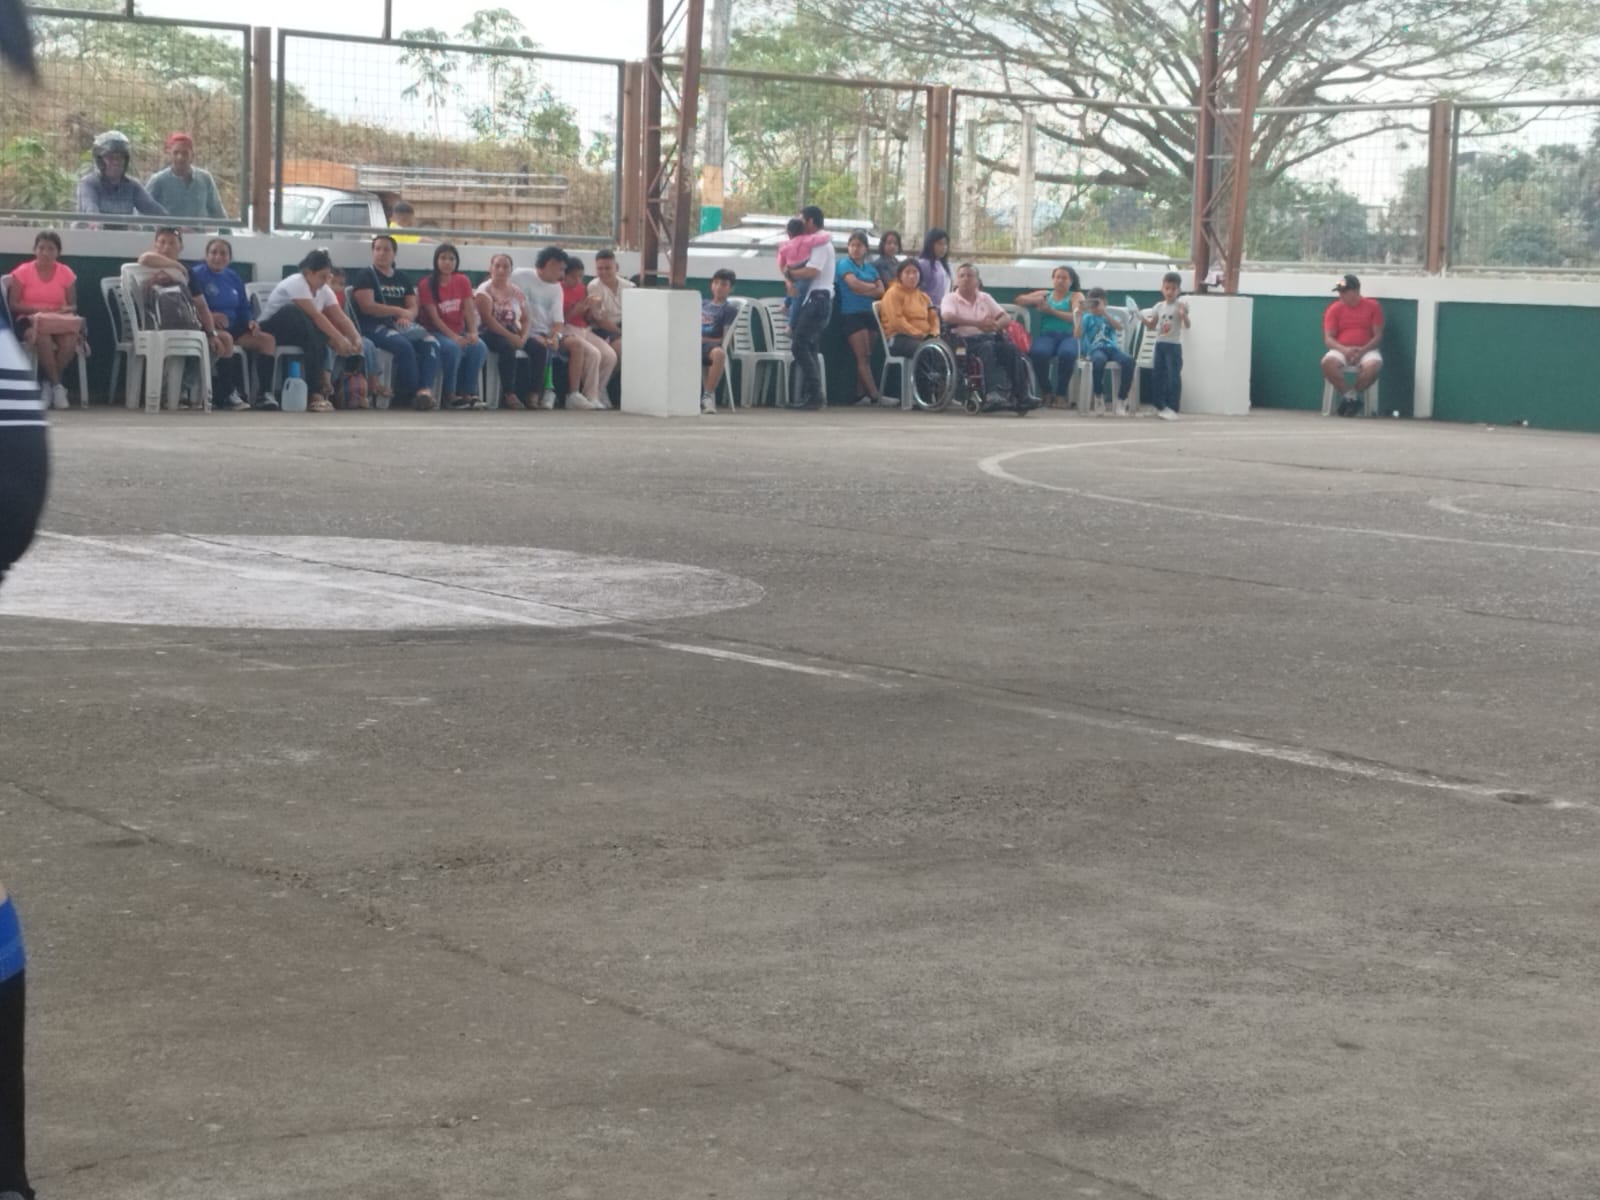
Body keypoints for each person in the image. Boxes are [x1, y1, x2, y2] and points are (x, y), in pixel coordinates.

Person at [137, 226, 241, 409]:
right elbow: (145, 258)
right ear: (155, 245)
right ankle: (167, 393)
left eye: (172, 243)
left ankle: (180, 390)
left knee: (219, 342)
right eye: (162, 242)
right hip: (153, 327)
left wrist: (211, 333)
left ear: (181, 247)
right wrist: (176, 266)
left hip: (187, 324)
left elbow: (201, 306)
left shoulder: (188, 273)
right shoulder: (148, 265)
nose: (166, 247)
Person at [258, 248, 365, 413]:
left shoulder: (324, 290)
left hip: (302, 332)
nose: (325, 281)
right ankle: (315, 392)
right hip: (272, 328)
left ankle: (316, 392)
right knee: (296, 312)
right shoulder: (296, 282)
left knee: (315, 336)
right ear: (309, 273)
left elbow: (341, 317)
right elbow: (316, 316)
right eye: (322, 276)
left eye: (328, 276)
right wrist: (338, 339)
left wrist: (356, 338)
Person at [511, 246, 605, 410]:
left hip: (547, 334)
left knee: (576, 344)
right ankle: (542, 392)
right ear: (550, 264)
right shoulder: (519, 276)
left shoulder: (556, 288)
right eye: (560, 269)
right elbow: (511, 311)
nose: (562, 275)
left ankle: (573, 394)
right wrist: (530, 335)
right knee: (540, 346)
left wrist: (554, 337)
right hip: (522, 331)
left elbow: (558, 322)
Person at [352, 234, 439, 410]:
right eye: (377, 249)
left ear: (394, 254)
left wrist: (408, 316)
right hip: (374, 325)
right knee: (403, 346)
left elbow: (412, 306)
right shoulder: (365, 275)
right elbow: (367, 307)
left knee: (431, 342)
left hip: (401, 325)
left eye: (386, 249)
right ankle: (411, 394)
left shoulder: (402, 277)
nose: (381, 253)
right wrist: (397, 311)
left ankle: (424, 391)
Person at [190, 238, 276, 409]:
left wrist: (251, 321)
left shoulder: (233, 277)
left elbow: (243, 306)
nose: (218, 257)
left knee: (267, 340)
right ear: (206, 256)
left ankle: (264, 395)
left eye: (223, 253)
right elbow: (190, 303)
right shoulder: (197, 275)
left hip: (235, 325)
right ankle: (227, 393)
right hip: (208, 326)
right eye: (213, 253)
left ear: (229, 258)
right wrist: (210, 316)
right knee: (226, 339)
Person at [4, 231, 80, 410]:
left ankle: (48, 384)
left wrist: (61, 310)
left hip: (58, 321)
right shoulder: (23, 271)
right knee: (42, 336)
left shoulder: (66, 273)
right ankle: (57, 386)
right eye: (41, 248)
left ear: (58, 252)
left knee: (70, 339)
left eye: (51, 249)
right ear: (35, 250)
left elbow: (73, 305)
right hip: (29, 321)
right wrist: (38, 310)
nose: (45, 253)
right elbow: (14, 304)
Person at [940, 262, 1031, 410]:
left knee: (1011, 349)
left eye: (970, 276)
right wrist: (977, 323)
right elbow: (948, 317)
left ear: (977, 281)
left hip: (987, 336)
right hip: (963, 342)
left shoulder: (985, 297)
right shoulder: (950, 298)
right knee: (987, 348)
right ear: (957, 280)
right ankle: (991, 393)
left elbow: (1006, 317)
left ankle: (1022, 396)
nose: (966, 279)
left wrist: (995, 325)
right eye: (962, 276)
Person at [417, 243, 487, 410]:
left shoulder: (462, 280)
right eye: (443, 258)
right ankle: (450, 394)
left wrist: (472, 332)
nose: (447, 262)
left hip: (459, 329)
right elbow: (435, 318)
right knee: (452, 348)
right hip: (435, 331)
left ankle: (468, 393)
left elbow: (468, 309)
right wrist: (454, 337)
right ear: (436, 261)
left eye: (451, 259)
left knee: (478, 347)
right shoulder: (426, 284)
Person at [781, 205, 834, 410]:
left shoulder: (820, 243)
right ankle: (813, 395)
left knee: (799, 344)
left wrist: (790, 273)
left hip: (817, 300)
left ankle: (815, 394)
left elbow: (812, 271)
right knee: (809, 346)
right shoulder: (813, 242)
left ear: (810, 221)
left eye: (802, 220)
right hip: (816, 300)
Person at [475, 253, 540, 410]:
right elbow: (488, 320)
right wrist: (511, 337)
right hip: (490, 332)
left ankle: (534, 393)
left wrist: (523, 337)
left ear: (511, 270)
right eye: (497, 266)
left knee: (539, 348)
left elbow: (526, 318)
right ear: (490, 268)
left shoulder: (516, 291)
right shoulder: (484, 290)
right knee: (507, 347)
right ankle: (509, 393)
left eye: (505, 267)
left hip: (514, 330)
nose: (501, 270)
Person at [1017, 265, 1084, 408]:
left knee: (1067, 354)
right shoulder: (1046, 294)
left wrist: (1052, 311)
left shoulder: (1076, 296)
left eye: (1064, 278)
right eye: (1057, 277)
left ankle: (1060, 395)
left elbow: (1076, 317)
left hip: (1069, 336)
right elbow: (1019, 299)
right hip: (1048, 335)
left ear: (1071, 281)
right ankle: (1046, 392)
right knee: (1038, 353)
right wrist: (1035, 301)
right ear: (1053, 279)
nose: (1060, 281)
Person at [559, 256, 617, 408]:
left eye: (580, 276)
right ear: (565, 275)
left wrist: (592, 310)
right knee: (594, 354)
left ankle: (598, 391)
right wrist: (574, 311)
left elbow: (587, 317)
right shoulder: (558, 289)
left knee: (610, 355)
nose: (578, 280)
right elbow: (558, 320)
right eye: (573, 277)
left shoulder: (581, 289)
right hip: (567, 329)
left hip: (584, 329)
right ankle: (590, 395)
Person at [835, 230, 884, 405]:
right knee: (862, 356)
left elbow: (881, 291)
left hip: (870, 315)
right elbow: (853, 285)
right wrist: (871, 287)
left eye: (859, 245)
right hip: (851, 315)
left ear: (866, 249)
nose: (855, 249)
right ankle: (875, 395)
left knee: (868, 357)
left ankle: (860, 394)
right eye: (852, 245)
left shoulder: (871, 268)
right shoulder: (843, 264)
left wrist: (864, 289)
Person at [1323, 273, 1383, 416]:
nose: (1341, 295)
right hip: (1341, 349)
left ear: (1356, 291)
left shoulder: (1373, 307)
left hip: (1367, 349)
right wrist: (1344, 350)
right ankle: (1350, 397)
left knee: (1374, 366)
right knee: (1327, 363)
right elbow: (1328, 338)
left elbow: (1378, 335)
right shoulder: (1334, 309)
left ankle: (1352, 396)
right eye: (1339, 292)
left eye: (1344, 292)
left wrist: (1362, 351)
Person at [76, 129, 166, 219]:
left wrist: (169, 222)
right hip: (94, 228)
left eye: (120, 158)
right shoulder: (89, 184)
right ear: (100, 160)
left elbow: (154, 209)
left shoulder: (132, 186)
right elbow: (90, 210)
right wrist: (94, 222)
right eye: (110, 158)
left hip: (124, 228)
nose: (116, 162)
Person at [330, 267, 385, 407]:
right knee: (334, 351)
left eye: (341, 284)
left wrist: (355, 339)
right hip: (328, 337)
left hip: (344, 336)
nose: (337, 287)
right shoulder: (322, 297)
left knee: (368, 344)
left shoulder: (342, 298)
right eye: (333, 283)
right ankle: (330, 386)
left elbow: (346, 321)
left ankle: (371, 385)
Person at [1075, 286, 1134, 412]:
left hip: (1112, 349)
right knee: (1099, 361)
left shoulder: (1109, 316)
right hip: (1095, 349)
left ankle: (1122, 399)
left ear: (1104, 303)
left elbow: (1119, 327)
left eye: (1098, 303)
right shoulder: (1087, 317)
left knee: (1129, 361)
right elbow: (1077, 335)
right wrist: (1079, 317)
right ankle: (1098, 395)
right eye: (1092, 303)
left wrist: (1105, 313)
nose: (1095, 306)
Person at [1140, 271, 1189, 421]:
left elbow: (1188, 325)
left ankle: (1173, 408)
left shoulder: (1181, 306)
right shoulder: (1158, 306)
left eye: (1173, 289)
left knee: (1173, 376)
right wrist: (1139, 316)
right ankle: (1159, 406)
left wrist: (1184, 315)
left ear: (1178, 290)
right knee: (1157, 376)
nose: (1169, 292)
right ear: (1162, 288)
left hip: (1173, 346)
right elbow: (1151, 325)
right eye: (1167, 288)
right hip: (1159, 344)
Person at [144, 132, 226, 222]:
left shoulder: (205, 179)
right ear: (170, 155)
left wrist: (224, 229)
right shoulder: (158, 180)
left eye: (185, 153)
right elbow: (142, 213)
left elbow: (218, 213)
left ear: (192, 155)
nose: (180, 157)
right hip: (168, 231)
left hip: (199, 230)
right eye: (176, 153)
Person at [879, 258, 940, 358]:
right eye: (907, 272)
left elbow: (933, 318)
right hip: (900, 338)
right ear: (900, 276)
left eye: (915, 272)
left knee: (946, 348)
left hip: (924, 338)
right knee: (927, 351)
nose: (912, 276)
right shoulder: (893, 293)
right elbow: (897, 322)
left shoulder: (924, 296)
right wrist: (920, 335)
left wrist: (934, 334)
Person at [700, 268, 737, 414]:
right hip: (691, 344)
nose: (718, 287)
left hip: (710, 346)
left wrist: (704, 340)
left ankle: (707, 396)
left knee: (719, 354)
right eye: (715, 283)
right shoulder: (703, 304)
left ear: (730, 288)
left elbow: (724, 338)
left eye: (724, 284)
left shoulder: (729, 310)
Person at [778, 218, 830, 320]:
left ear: (789, 232)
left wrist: (787, 274)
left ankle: (786, 304)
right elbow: (823, 239)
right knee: (798, 297)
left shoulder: (785, 245)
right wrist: (828, 235)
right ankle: (791, 324)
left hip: (790, 268)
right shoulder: (807, 240)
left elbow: (781, 261)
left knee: (792, 289)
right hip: (802, 269)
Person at [586, 248, 629, 360]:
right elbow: (600, 320)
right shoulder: (594, 286)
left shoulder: (629, 286)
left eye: (608, 268)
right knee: (621, 347)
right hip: (604, 329)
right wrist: (622, 333)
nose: (603, 272)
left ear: (616, 268)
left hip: (625, 327)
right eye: (600, 268)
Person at [915, 228, 952, 311]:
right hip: (926, 309)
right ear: (930, 244)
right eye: (939, 244)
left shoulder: (944, 265)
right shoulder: (922, 264)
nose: (943, 247)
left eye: (945, 244)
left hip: (942, 309)